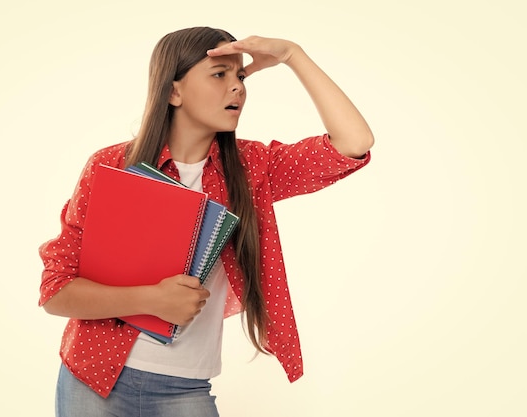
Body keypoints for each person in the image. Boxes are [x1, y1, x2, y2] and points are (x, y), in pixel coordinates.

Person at [38, 26, 373, 417]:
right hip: (93, 379)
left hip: (187, 390)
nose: (237, 88)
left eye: (241, 76)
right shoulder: (112, 166)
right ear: (173, 91)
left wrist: (292, 55)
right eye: (220, 75)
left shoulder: (252, 169)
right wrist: (151, 300)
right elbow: (56, 291)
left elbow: (353, 143)